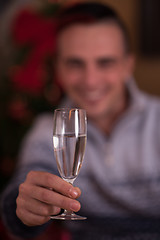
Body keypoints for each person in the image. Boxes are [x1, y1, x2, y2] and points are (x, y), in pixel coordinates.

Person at [1, 1, 160, 239]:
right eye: (75, 63)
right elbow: (20, 204)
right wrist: (25, 209)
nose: (91, 80)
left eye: (105, 62)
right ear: (59, 69)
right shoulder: (47, 131)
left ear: (128, 65)